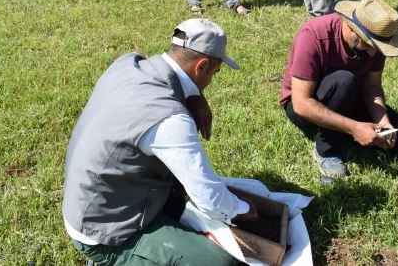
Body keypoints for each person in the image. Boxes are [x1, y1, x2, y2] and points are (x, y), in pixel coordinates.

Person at [62, 18, 257, 265]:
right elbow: (211, 199)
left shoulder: (128, 64)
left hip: (93, 200)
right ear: (202, 65)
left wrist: (193, 95)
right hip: (103, 233)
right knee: (219, 262)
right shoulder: (170, 118)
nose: (211, 81)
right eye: (214, 74)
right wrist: (243, 209)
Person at [279, 0, 398, 179]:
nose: (374, 52)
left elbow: (372, 85)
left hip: (349, 96)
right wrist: (354, 128)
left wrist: (382, 120)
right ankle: (327, 151)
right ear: (353, 30)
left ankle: (349, 130)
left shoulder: (376, 42)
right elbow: (301, 103)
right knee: (344, 81)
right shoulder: (313, 35)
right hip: (304, 106)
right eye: (370, 45)